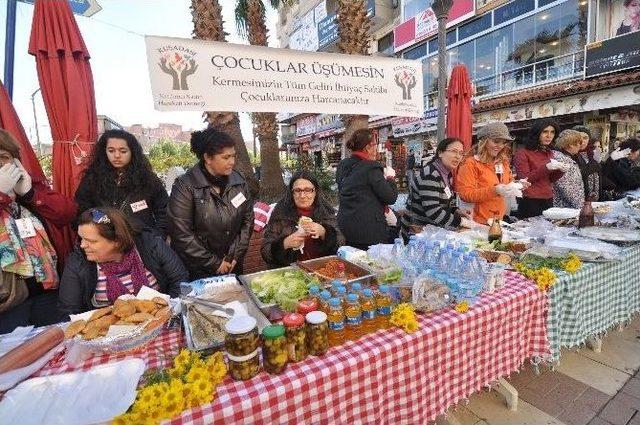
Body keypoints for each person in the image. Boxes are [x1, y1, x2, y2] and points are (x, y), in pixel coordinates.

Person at [0, 130, 77, 333]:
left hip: (47, 291)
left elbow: (67, 212)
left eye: (4, 158)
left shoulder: (27, 187)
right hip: (8, 302)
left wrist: (30, 194)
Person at [58, 208, 187, 318]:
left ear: (117, 241)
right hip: (108, 337)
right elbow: (68, 311)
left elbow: (179, 279)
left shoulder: (149, 244)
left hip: (160, 321)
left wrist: (167, 312)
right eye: (81, 238)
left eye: (91, 241)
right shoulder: (78, 262)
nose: (82, 245)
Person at [168, 128, 254, 279]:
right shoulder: (185, 186)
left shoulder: (238, 181)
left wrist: (235, 255)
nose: (232, 162)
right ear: (207, 158)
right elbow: (181, 232)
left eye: (233, 156)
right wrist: (214, 262)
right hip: (198, 269)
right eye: (226, 157)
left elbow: (248, 220)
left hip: (232, 264)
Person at [75, 130, 169, 237]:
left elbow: (164, 212)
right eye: (111, 151)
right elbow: (85, 209)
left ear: (132, 152)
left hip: (142, 243)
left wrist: (157, 237)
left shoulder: (147, 179)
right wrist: (106, 223)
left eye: (123, 151)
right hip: (106, 242)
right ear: (104, 152)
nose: (117, 155)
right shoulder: (93, 179)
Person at [261, 170, 344, 268]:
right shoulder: (281, 213)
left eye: (308, 190)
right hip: (290, 274)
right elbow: (265, 252)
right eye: (297, 190)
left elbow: (341, 244)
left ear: (315, 192)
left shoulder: (326, 212)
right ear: (292, 193)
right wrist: (284, 244)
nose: (302, 196)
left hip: (321, 269)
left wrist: (324, 232)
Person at [400, 138, 475, 238]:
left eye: (461, 153)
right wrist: (461, 222)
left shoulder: (447, 174)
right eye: (453, 151)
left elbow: (445, 202)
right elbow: (434, 212)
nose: (458, 156)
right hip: (418, 233)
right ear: (440, 153)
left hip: (432, 231)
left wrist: (456, 211)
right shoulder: (430, 174)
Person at [336, 129, 397, 250]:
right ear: (368, 148)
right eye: (375, 145)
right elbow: (390, 197)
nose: (376, 149)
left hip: (346, 227)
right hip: (369, 232)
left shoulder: (343, 165)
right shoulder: (371, 168)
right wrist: (390, 177)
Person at [456, 122, 528, 224]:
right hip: (477, 222)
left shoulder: (503, 162)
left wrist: (517, 184)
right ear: (484, 141)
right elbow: (465, 195)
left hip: (498, 220)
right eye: (496, 141)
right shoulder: (470, 164)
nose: (500, 146)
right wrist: (495, 190)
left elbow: (507, 183)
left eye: (503, 143)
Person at [514, 119, 566, 218]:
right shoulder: (523, 153)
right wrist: (546, 168)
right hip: (530, 200)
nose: (549, 135)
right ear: (537, 133)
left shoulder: (549, 152)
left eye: (552, 132)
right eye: (545, 132)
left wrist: (561, 171)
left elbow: (550, 179)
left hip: (548, 197)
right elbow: (524, 179)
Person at [552, 130, 586, 208]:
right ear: (570, 144)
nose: (580, 146)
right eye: (579, 143)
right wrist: (581, 206)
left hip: (566, 207)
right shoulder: (562, 160)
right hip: (565, 208)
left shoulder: (566, 158)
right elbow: (567, 188)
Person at [573, 125, 603, 201]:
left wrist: (611, 160)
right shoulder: (571, 154)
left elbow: (600, 173)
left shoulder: (591, 153)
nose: (582, 141)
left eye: (585, 138)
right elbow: (577, 176)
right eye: (578, 138)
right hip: (579, 199)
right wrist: (595, 164)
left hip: (595, 196)